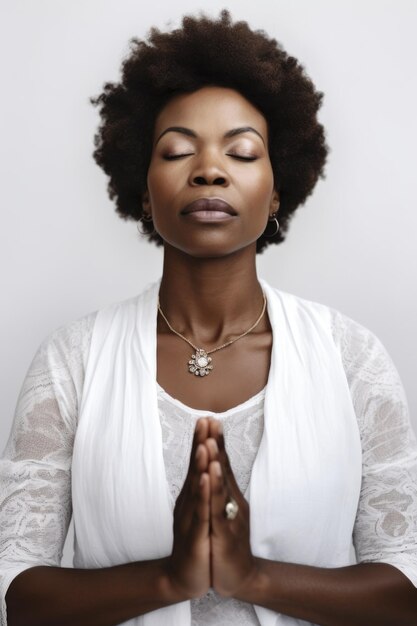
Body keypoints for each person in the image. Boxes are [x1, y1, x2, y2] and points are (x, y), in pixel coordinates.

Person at [1, 10, 417, 626]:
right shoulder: (72, 361)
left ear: (278, 191)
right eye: (177, 150)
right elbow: (22, 594)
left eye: (242, 151)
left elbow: (403, 589)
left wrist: (252, 576)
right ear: (144, 190)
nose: (210, 169)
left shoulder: (352, 358)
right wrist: (170, 578)